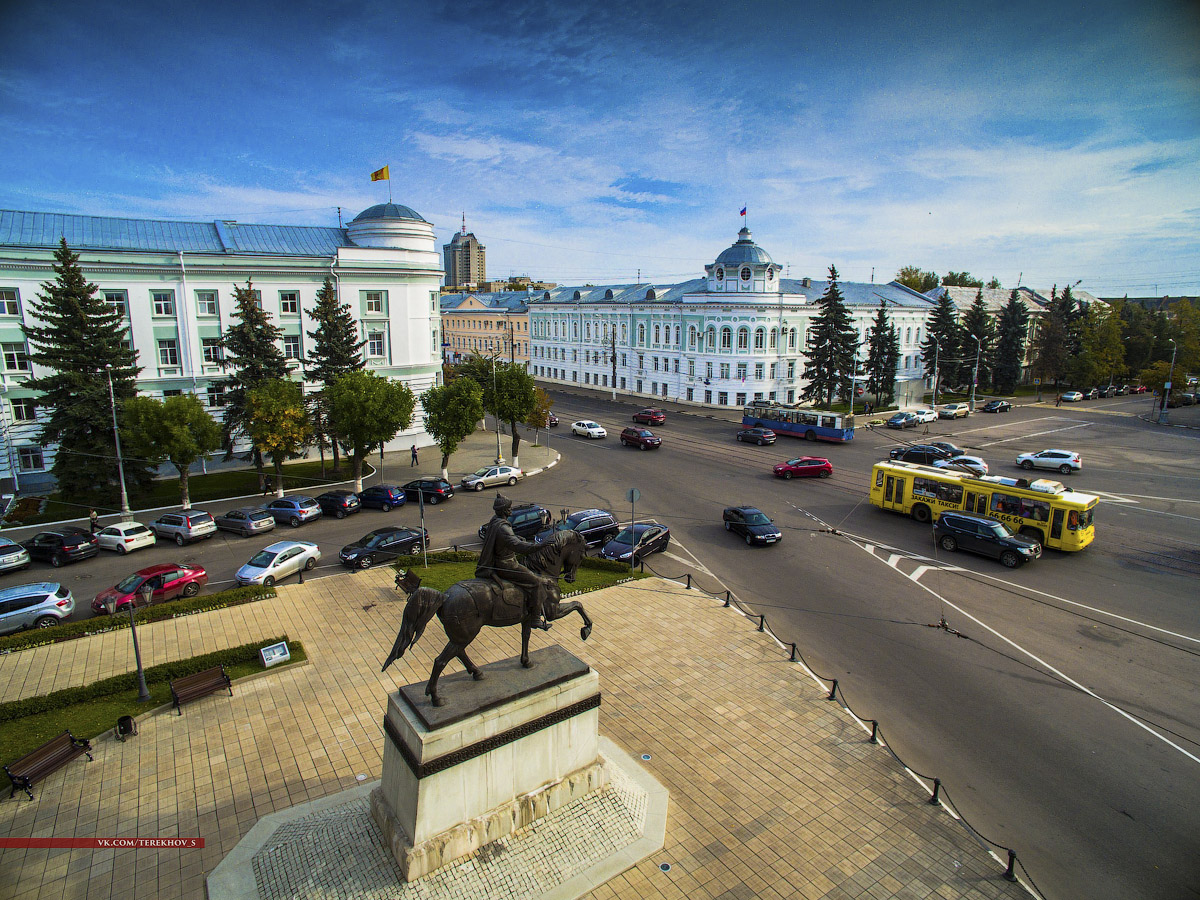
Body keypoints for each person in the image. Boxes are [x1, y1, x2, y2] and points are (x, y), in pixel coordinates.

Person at [476, 493, 550, 630]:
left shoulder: (495, 520)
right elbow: (519, 547)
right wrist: (540, 546)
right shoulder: (503, 528)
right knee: (536, 582)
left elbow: (510, 541)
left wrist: (518, 538)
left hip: (498, 561)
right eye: (509, 508)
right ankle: (535, 618)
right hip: (507, 564)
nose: (511, 510)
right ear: (504, 510)